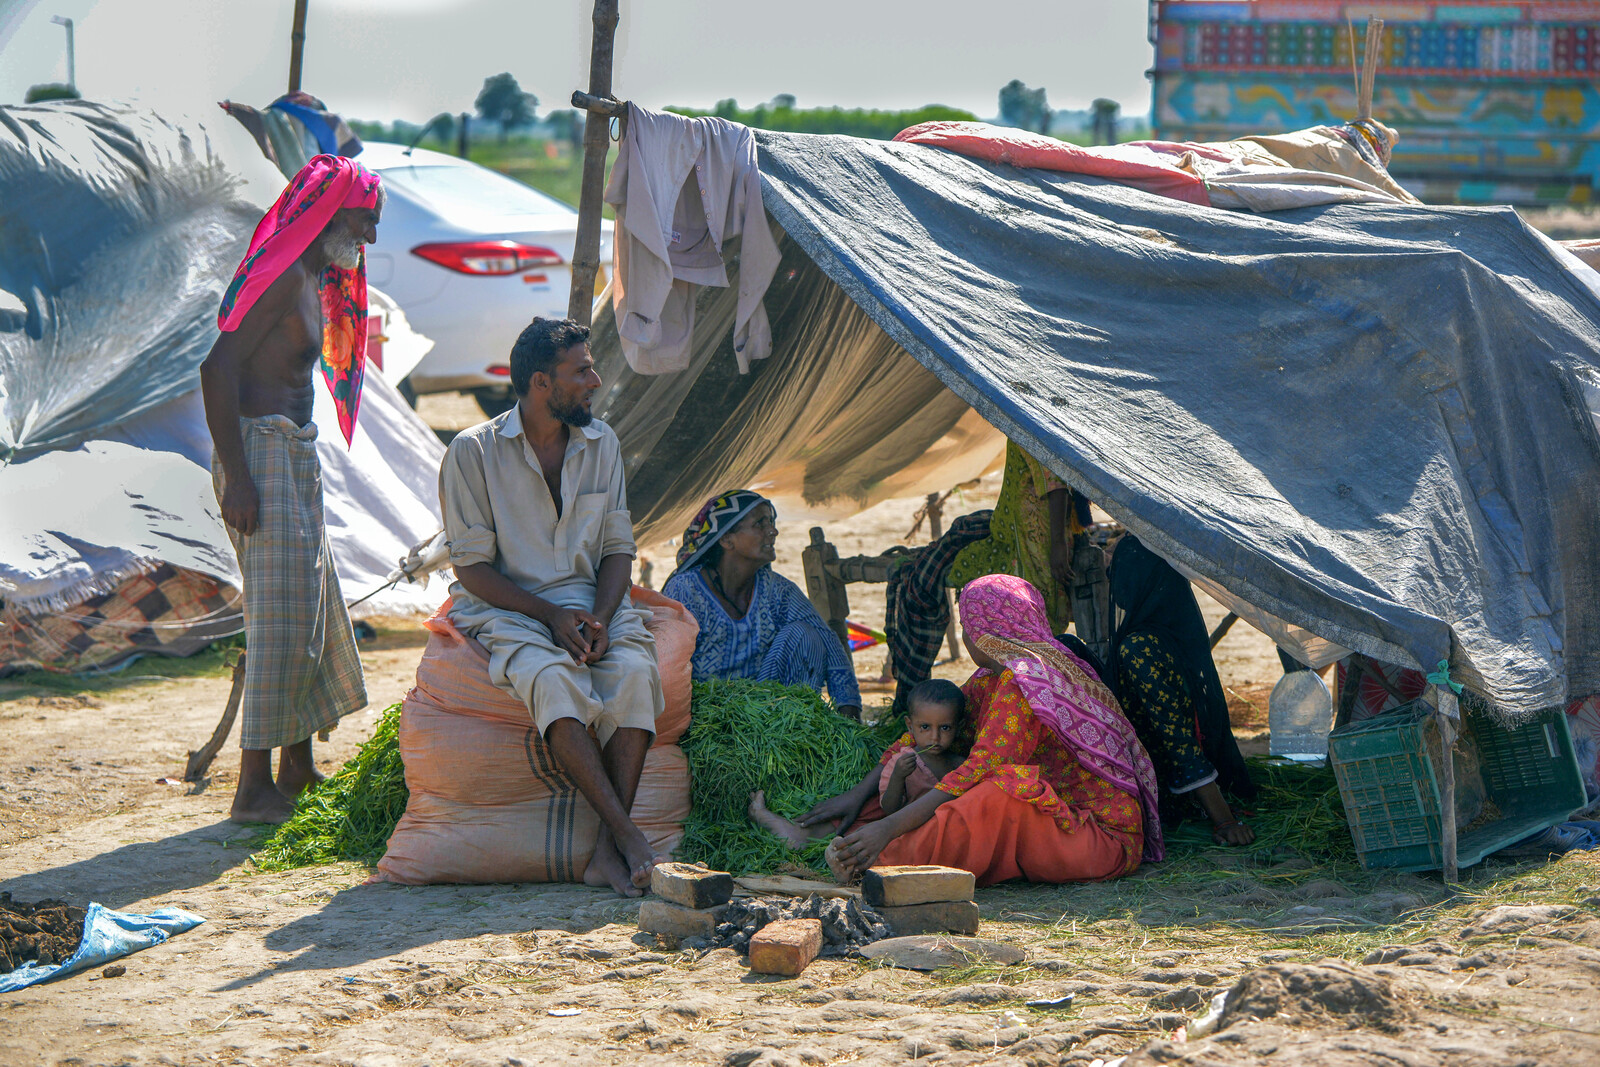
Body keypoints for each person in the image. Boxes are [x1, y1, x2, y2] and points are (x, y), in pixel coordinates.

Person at [439, 317, 666, 897]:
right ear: (541, 383)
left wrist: (602, 616)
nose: (595, 379)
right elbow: (471, 569)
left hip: (591, 602)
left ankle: (602, 854)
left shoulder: (603, 443)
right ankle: (630, 841)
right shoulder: (471, 453)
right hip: (507, 607)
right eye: (582, 370)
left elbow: (618, 548)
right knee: (551, 677)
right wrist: (550, 616)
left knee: (638, 675)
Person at [200, 155, 384, 824]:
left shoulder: (315, 276)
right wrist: (238, 475)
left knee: (310, 608)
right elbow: (216, 368)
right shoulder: (278, 276)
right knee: (278, 620)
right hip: (260, 452)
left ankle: (297, 765)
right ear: (332, 210)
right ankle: (252, 789)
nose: (370, 236)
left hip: (294, 454)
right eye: (366, 218)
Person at [803, 575, 1165, 886]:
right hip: (1063, 824)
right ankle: (834, 833)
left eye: (966, 627)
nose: (965, 635)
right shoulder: (992, 677)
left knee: (997, 793)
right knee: (927, 760)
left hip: (1096, 840)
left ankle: (879, 861)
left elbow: (980, 771)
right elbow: (923, 741)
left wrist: (890, 827)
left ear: (984, 629)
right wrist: (859, 792)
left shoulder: (1026, 681)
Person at [1108, 535, 1258, 846]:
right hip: (1190, 781)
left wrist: (1225, 821)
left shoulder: (1139, 648)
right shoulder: (1171, 629)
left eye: (1119, 574)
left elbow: (1178, 741)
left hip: (1170, 793)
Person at [661, 491, 862, 718]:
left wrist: (850, 717)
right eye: (760, 523)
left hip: (766, 722)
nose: (773, 531)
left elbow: (830, 646)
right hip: (705, 721)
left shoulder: (776, 590)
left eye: (771, 521)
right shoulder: (686, 590)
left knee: (806, 635)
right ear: (727, 540)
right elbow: (667, 669)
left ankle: (794, 729)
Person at [746, 678, 968, 847]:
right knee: (844, 826)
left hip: (922, 833)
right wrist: (899, 776)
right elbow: (889, 809)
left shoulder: (964, 765)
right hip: (888, 822)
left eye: (945, 728)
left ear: (958, 726)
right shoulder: (904, 759)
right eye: (925, 728)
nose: (935, 738)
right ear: (910, 726)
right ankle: (790, 830)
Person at [946, 441, 1088, 633]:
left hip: (1038, 530)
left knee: (1042, 601)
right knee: (1032, 599)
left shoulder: (1034, 424)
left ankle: (1041, 650)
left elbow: (1055, 484)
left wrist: (1058, 543)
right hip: (1025, 528)